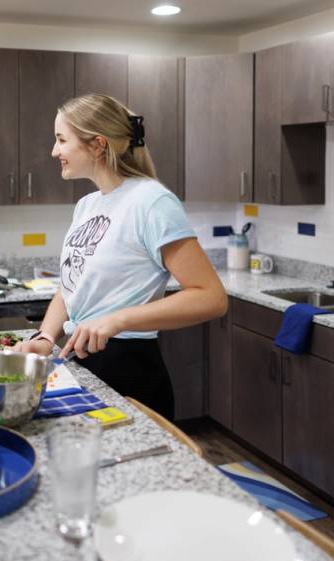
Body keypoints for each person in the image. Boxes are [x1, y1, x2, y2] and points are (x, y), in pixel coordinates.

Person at [14, 94, 228, 418]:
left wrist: (117, 319)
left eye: (61, 140)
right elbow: (72, 285)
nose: (54, 151)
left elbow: (211, 297)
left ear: (98, 145)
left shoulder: (152, 202)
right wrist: (45, 337)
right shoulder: (88, 205)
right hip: (83, 360)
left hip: (129, 369)